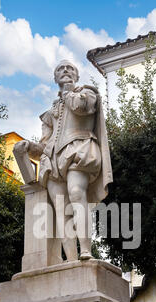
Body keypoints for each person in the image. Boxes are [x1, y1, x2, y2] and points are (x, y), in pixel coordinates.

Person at [13, 60, 112, 262]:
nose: (65, 70)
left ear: (76, 75)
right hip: (53, 161)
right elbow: (44, 145)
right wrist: (29, 146)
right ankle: (72, 260)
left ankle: (86, 250)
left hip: (80, 149)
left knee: (76, 192)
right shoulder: (50, 113)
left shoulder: (87, 93)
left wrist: (68, 92)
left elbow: (81, 107)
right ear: (55, 78)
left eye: (70, 68)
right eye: (60, 69)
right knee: (61, 211)